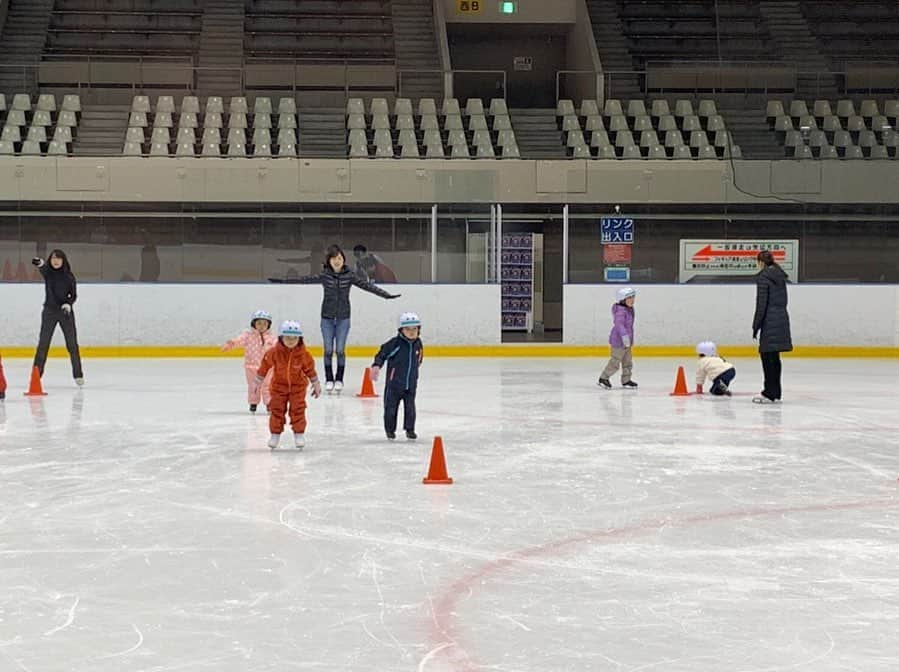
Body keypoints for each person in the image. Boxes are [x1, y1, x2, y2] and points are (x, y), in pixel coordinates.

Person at [284, 244, 399, 393]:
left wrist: (386, 295)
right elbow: (304, 280)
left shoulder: (349, 275)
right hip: (327, 318)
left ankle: (339, 379)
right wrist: (284, 281)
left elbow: (368, 286)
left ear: (343, 259)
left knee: (339, 350)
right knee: (328, 350)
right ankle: (329, 379)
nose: (337, 261)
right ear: (329, 261)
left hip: (343, 318)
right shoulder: (325, 276)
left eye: (339, 258)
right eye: (333, 258)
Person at [255, 320, 321, 450]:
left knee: (298, 410)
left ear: (299, 339)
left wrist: (316, 383)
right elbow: (264, 366)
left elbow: (310, 370)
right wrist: (257, 381)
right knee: (276, 410)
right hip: (279, 387)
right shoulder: (274, 352)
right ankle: (275, 434)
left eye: (294, 338)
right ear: (281, 338)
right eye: (287, 338)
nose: (291, 341)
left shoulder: (304, 355)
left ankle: (299, 434)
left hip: (298, 388)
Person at [32, 250, 84, 385]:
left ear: (63, 260)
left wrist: (68, 304)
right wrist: (40, 263)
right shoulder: (48, 273)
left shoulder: (69, 276)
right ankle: (36, 375)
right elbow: (43, 268)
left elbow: (73, 294)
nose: (56, 261)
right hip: (49, 312)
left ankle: (78, 374)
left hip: (65, 312)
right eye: (53, 258)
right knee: (43, 344)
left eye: (58, 259)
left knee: (72, 344)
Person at [370, 312, 424, 440]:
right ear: (401, 330)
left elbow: (419, 359)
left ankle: (410, 430)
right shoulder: (395, 343)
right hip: (394, 384)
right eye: (408, 329)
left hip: (410, 384)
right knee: (390, 409)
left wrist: (414, 373)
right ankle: (390, 430)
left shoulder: (418, 343)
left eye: (414, 329)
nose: (411, 332)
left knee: (410, 409)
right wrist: (376, 365)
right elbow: (382, 354)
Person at [752, 249, 793, 403]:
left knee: (767, 357)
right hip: (781, 318)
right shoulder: (779, 276)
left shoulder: (763, 277)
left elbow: (761, 304)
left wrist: (756, 325)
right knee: (774, 358)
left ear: (761, 262)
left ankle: (769, 393)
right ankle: (776, 392)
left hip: (769, 321)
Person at [222, 309, 277, 414]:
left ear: (268, 325)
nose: (261, 326)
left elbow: (280, 348)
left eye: (264, 323)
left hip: (268, 368)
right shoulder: (248, 336)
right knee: (253, 386)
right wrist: (231, 343)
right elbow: (238, 341)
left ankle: (270, 404)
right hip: (251, 367)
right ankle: (253, 403)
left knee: (268, 386)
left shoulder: (272, 338)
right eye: (259, 323)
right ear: (254, 324)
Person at [598, 287, 638, 389]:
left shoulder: (629, 309)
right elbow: (619, 325)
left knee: (627, 362)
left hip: (627, 341)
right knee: (615, 362)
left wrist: (629, 339)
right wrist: (624, 337)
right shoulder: (621, 311)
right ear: (622, 299)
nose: (632, 300)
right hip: (619, 341)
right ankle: (604, 378)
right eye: (629, 298)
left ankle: (626, 380)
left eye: (633, 297)